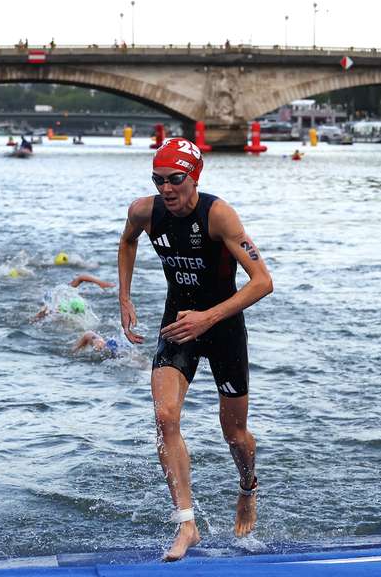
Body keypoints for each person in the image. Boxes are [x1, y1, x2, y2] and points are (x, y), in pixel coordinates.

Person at [118, 137, 273, 561]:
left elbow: (263, 282)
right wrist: (125, 297)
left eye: (175, 180)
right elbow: (128, 240)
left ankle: (247, 486)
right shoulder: (144, 211)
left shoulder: (218, 215)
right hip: (177, 323)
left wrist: (208, 317)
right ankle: (187, 523)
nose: (166, 189)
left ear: (194, 177)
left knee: (235, 435)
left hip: (222, 327)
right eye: (158, 180)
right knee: (165, 416)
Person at [31, 274, 114, 323]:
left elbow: (81, 278)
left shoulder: (67, 293)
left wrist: (100, 283)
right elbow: (81, 278)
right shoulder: (56, 301)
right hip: (46, 297)